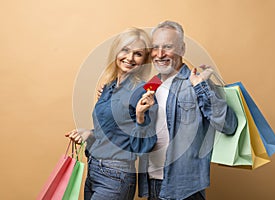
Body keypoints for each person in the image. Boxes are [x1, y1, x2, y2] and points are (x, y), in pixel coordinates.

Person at [137, 21, 238, 200]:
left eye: (167, 47)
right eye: (155, 47)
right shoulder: (150, 86)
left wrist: (201, 87)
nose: (160, 54)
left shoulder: (197, 82)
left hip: (185, 187)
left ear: (182, 49)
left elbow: (229, 125)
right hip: (153, 182)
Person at [65, 27, 158, 200]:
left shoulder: (142, 92)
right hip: (93, 170)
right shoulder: (108, 87)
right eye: (125, 50)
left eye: (137, 54)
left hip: (116, 176)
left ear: (144, 60)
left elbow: (144, 146)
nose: (129, 58)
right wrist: (89, 134)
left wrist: (140, 117)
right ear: (116, 52)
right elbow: (114, 132)